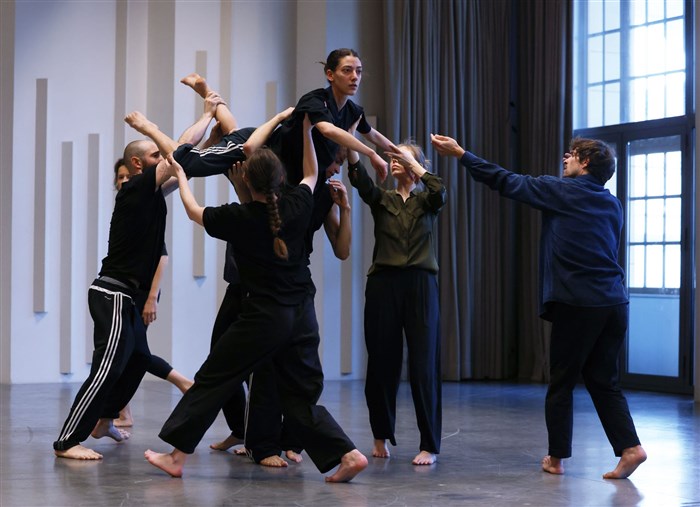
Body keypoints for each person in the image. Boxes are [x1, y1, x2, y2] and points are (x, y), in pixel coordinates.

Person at [144, 115, 367, 482]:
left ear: (245, 179)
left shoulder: (239, 217)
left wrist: (182, 176)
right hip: (302, 314)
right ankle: (348, 453)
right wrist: (307, 131)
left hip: (265, 317)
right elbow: (312, 174)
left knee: (214, 378)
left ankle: (176, 456)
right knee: (298, 396)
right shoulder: (299, 202)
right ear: (281, 178)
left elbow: (193, 211)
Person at [430, 134, 647, 479]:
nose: (565, 157)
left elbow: (505, 180)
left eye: (573, 154)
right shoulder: (613, 204)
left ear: (585, 163)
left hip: (578, 302)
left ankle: (556, 459)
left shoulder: (560, 190)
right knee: (604, 381)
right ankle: (631, 448)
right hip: (614, 302)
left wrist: (461, 154)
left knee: (561, 382)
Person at [52, 141, 178, 460]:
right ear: (138, 164)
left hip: (127, 296)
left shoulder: (149, 195)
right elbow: (178, 156)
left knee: (138, 359)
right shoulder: (134, 189)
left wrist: (213, 140)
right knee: (106, 367)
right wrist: (161, 129)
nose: (161, 158)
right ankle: (67, 441)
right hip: (113, 293)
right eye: (154, 155)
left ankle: (106, 419)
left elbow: (181, 166)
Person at [348, 141, 446, 466]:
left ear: (417, 165)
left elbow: (439, 189)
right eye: (392, 157)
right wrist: (352, 142)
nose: (394, 162)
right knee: (381, 362)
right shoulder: (383, 199)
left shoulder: (427, 200)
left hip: (421, 285)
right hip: (384, 285)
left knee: (424, 366)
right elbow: (359, 178)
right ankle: (380, 435)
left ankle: (429, 444)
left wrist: (415, 166)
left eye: (401, 158)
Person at [110, 159, 194, 428]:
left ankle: (183, 382)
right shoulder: (129, 204)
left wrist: (150, 298)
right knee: (127, 351)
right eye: (119, 177)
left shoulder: (146, 200)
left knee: (135, 351)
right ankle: (123, 412)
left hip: (142, 293)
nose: (124, 180)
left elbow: (162, 257)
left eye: (127, 175)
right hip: (130, 291)